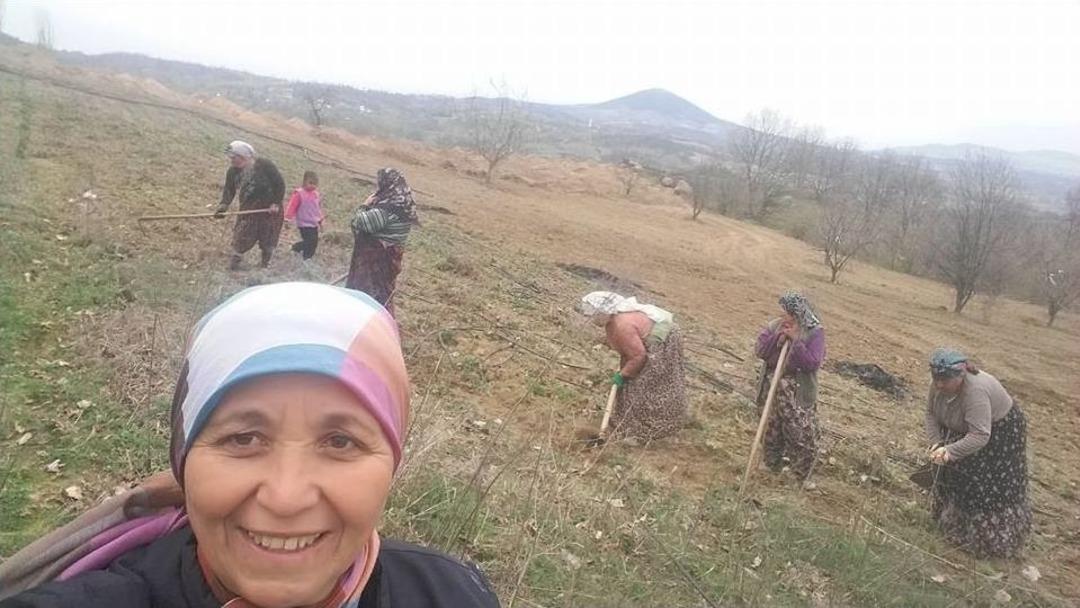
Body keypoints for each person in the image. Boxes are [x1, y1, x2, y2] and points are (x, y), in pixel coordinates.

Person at [0, 283, 502, 608]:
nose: (286, 498)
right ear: (184, 458)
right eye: (243, 438)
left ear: (391, 462)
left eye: (341, 440)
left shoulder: (451, 594)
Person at [924, 347, 1030, 558]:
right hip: (963, 426)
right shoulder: (938, 386)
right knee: (951, 473)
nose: (938, 384)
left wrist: (950, 451)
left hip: (997, 433)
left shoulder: (976, 393)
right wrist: (936, 445)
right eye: (936, 378)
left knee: (982, 483)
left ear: (961, 375)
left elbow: (981, 435)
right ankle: (951, 523)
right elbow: (930, 414)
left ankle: (989, 541)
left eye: (944, 380)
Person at [579, 291, 687, 441]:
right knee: (631, 384)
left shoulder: (621, 325)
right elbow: (628, 349)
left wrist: (623, 374)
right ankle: (627, 423)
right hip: (649, 341)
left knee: (647, 383)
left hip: (663, 339)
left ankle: (652, 428)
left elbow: (638, 356)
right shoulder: (613, 322)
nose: (589, 318)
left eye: (592, 315)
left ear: (603, 312)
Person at [753, 291, 826, 480]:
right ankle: (771, 464)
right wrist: (777, 338)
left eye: (785, 312)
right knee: (771, 427)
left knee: (800, 431)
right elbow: (760, 351)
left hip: (796, 389)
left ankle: (801, 474)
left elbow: (812, 363)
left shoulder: (814, 332)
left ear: (796, 314)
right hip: (772, 383)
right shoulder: (775, 326)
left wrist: (796, 341)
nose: (782, 315)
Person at [347, 168, 418, 316]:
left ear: (387, 184)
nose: (378, 187)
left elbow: (359, 221)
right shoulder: (404, 203)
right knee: (383, 294)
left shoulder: (388, 208)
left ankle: (366, 324)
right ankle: (382, 325)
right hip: (390, 257)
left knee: (369, 296)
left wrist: (364, 205)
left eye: (380, 183)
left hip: (377, 260)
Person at [214, 141, 286, 270]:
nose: (231, 161)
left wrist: (275, 203)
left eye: (234, 158)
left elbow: (279, 184)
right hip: (249, 208)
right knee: (242, 235)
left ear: (244, 156)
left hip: (269, 210)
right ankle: (235, 263)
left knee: (268, 238)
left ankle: (264, 264)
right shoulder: (233, 171)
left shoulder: (264, 165)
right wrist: (224, 205)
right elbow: (229, 190)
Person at [284, 170, 325, 260]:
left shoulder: (316, 195)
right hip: (304, 223)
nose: (312, 186)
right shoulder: (299, 194)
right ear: (304, 182)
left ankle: (307, 258)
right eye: (310, 183)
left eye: (315, 184)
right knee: (309, 241)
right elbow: (292, 206)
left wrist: (321, 221)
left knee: (314, 242)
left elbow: (317, 209)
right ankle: (296, 248)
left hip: (314, 223)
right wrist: (287, 218)